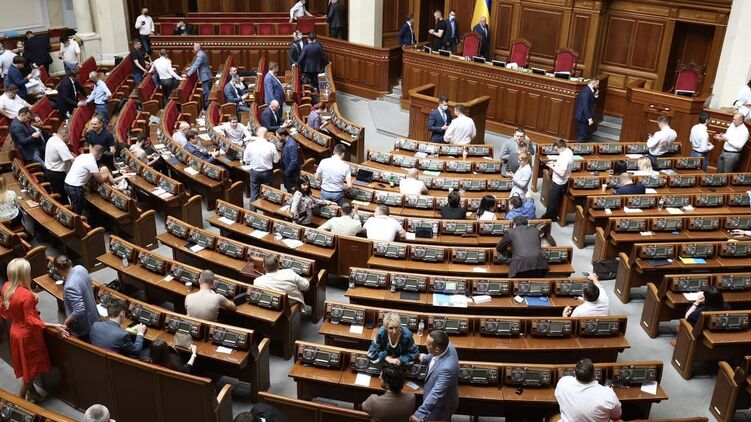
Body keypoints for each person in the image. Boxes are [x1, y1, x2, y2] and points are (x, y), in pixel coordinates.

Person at [0, 258, 67, 402]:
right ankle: (20, 402)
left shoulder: (6, 287)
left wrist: (31, 300)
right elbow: (31, 321)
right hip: (27, 336)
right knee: (30, 372)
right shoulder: (26, 296)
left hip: (15, 331)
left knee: (26, 367)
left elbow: (5, 311)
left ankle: (32, 393)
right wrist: (54, 325)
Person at [410, 330, 459, 422]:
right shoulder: (445, 344)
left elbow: (436, 393)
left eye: (428, 344)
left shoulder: (447, 369)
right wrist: (426, 358)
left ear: (436, 349)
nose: (425, 344)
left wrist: (420, 414)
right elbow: (435, 355)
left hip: (439, 408)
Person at [555, 358, 621, 422]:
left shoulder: (563, 382)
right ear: (594, 375)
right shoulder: (608, 394)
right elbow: (616, 417)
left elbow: (558, 398)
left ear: (574, 373)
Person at [52, 255, 100, 340]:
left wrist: (67, 322)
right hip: (93, 314)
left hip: (84, 326)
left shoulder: (70, 286)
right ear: (70, 262)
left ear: (57, 269)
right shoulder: (80, 268)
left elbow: (79, 310)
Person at [64, 145, 119, 214]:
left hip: (67, 183)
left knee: (75, 205)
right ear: (100, 155)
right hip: (75, 187)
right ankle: (77, 220)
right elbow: (100, 180)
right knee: (77, 209)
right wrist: (106, 174)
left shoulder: (82, 156)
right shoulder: (91, 163)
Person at [244, 126, 280, 203]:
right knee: (268, 194)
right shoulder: (271, 146)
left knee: (254, 193)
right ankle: (266, 209)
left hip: (255, 172)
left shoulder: (250, 145)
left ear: (257, 134)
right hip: (267, 173)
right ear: (266, 134)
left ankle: (253, 210)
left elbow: (245, 160)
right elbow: (276, 160)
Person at [541, 139, 574, 222]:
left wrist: (552, 166)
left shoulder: (565, 157)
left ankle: (548, 218)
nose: (556, 151)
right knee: (556, 200)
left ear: (562, 148)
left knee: (552, 201)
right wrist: (556, 164)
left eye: (557, 149)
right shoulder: (568, 151)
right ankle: (554, 216)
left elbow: (562, 173)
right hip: (564, 181)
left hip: (558, 183)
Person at [45, 126, 75, 202]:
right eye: (68, 137)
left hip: (49, 171)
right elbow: (72, 160)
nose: (69, 139)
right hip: (57, 175)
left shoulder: (51, 139)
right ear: (64, 135)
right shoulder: (61, 145)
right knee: (62, 196)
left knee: (57, 193)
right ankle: (65, 208)